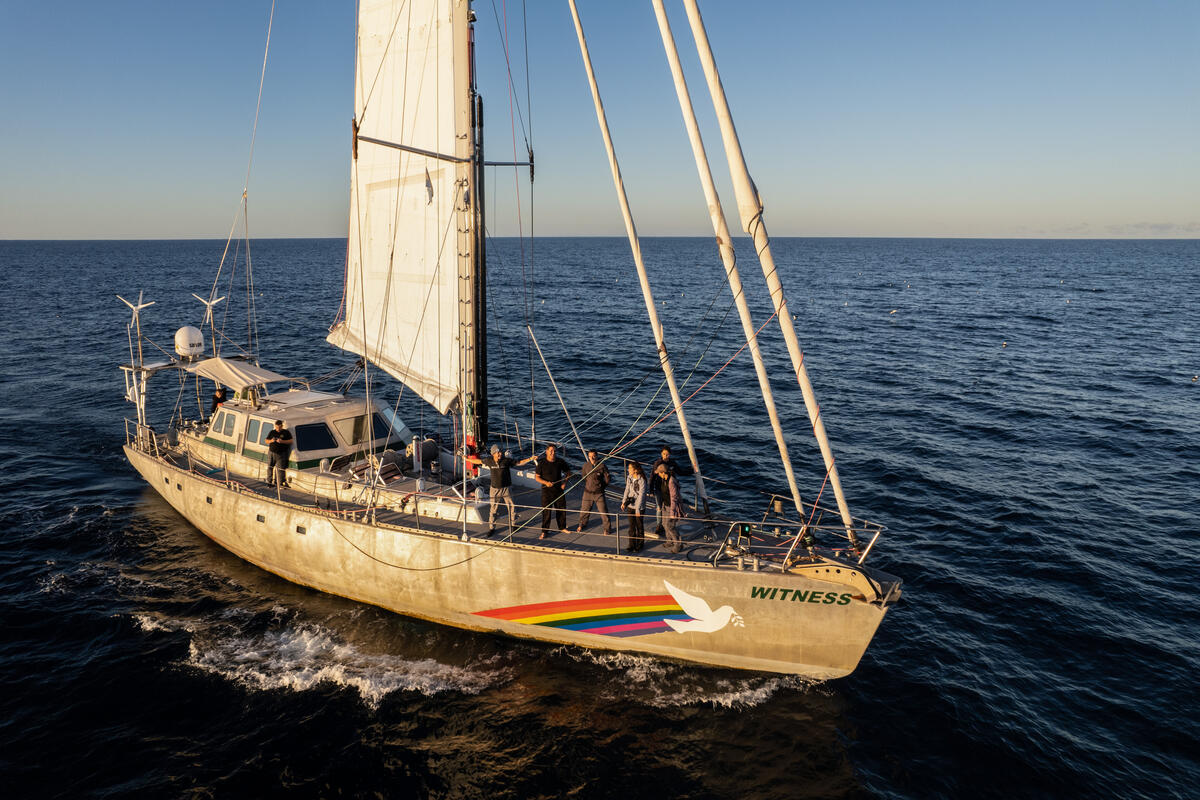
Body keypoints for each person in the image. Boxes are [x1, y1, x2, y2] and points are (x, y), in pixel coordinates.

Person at [466, 444, 535, 536]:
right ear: (493, 453)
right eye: (498, 452)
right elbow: (478, 461)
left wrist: (530, 459)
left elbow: (519, 462)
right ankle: (491, 528)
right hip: (494, 489)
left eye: (500, 452)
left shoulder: (506, 461)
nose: (500, 454)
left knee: (511, 507)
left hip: (506, 488)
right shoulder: (489, 461)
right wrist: (466, 459)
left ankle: (513, 525)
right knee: (493, 509)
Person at [650, 445, 693, 536]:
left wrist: (692, 470)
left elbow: (680, 472)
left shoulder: (672, 463)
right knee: (659, 507)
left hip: (669, 488)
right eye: (664, 454)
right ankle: (659, 525)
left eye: (668, 454)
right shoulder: (657, 463)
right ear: (661, 454)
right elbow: (652, 476)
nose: (666, 456)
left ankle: (670, 524)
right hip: (659, 488)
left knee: (669, 505)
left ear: (670, 455)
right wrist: (651, 490)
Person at [533, 444, 571, 539]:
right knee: (546, 511)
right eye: (551, 451)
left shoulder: (560, 462)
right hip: (546, 491)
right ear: (546, 452)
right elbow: (537, 477)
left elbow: (568, 473)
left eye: (554, 451)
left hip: (559, 490)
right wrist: (546, 483)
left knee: (561, 509)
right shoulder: (541, 463)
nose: (552, 453)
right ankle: (544, 531)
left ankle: (562, 527)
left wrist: (564, 483)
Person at [574, 449, 612, 535]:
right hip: (587, 492)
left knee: (603, 512)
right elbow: (583, 476)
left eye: (594, 456)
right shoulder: (586, 466)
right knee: (584, 510)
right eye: (590, 456)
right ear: (588, 457)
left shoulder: (602, 466)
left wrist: (601, 487)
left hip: (599, 493)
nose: (592, 458)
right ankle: (582, 524)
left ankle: (607, 528)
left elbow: (607, 479)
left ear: (597, 456)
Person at [654, 462, 684, 553]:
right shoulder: (663, 479)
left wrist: (673, 512)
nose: (658, 475)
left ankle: (678, 544)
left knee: (670, 526)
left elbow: (674, 498)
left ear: (663, 473)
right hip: (665, 505)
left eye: (659, 473)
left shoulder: (671, 481)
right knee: (664, 523)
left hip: (672, 507)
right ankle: (669, 540)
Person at [620, 461, 647, 553]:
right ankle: (631, 544)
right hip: (631, 505)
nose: (628, 470)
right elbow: (627, 489)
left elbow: (641, 495)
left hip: (639, 507)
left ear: (635, 470)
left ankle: (640, 544)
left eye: (630, 468)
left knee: (639, 526)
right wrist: (624, 502)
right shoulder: (629, 478)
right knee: (631, 527)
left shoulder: (642, 480)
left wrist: (638, 509)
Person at [264, 419, 293, 488]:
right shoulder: (272, 432)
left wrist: (282, 441)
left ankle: (278, 483)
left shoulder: (286, 432)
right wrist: (271, 440)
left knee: (280, 469)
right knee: (270, 467)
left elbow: (291, 441)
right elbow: (266, 441)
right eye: (277, 427)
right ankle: (269, 482)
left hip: (281, 454)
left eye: (279, 427)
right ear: (275, 426)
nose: (278, 429)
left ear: (282, 426)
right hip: (271, 453)